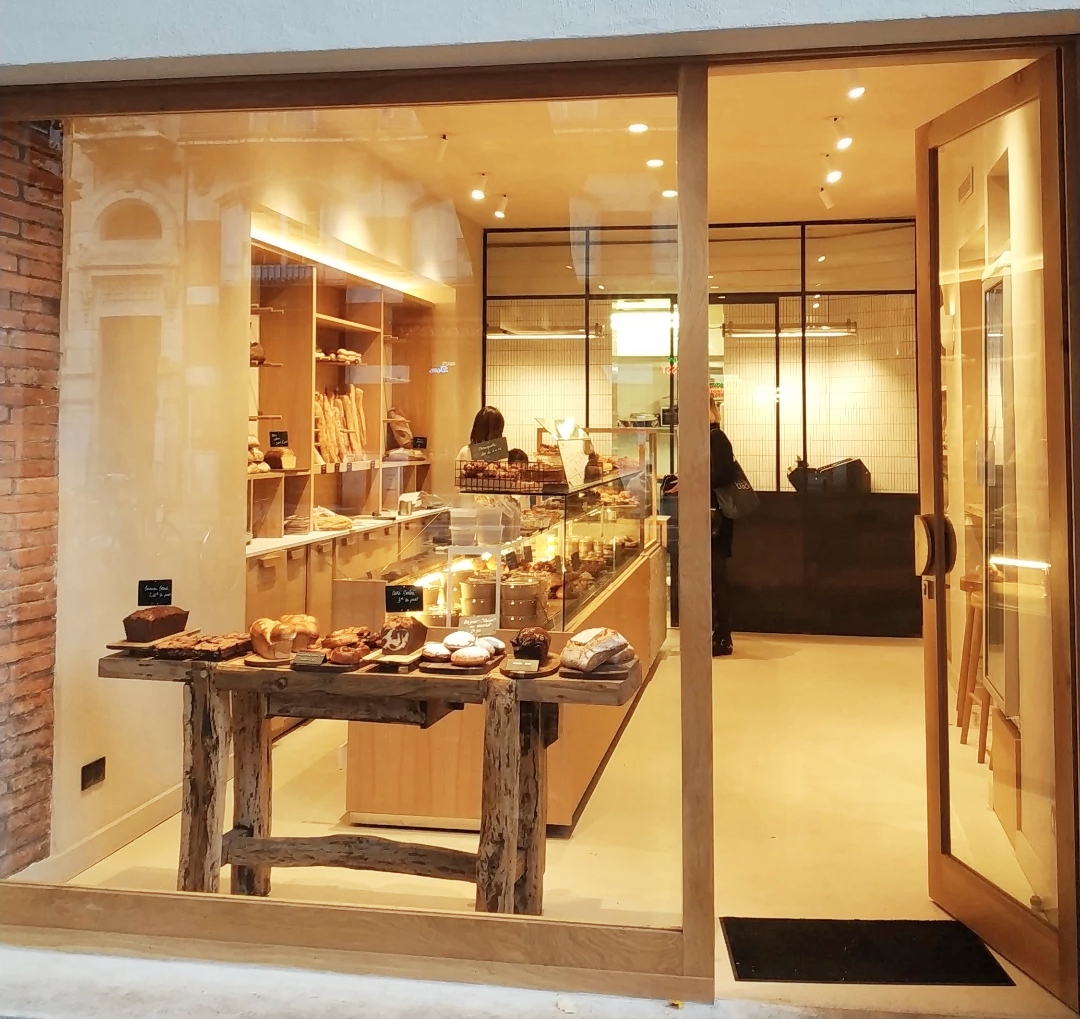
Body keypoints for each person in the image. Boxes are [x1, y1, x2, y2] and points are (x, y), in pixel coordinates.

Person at [709, 398, 737, 657]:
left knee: (717, 579)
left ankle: (722, 638)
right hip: (715, 519)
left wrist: (693, 480)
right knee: (715, 579)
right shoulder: (711, 437)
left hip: (717, 520)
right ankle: (717, 634)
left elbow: (723, 474)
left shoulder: (716, 437)